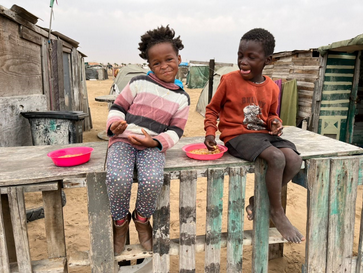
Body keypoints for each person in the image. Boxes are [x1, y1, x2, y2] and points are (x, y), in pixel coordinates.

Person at [204, 28, 304, 243]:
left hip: (262, 135)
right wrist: (211, 132)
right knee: (277, 157)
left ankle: (257, 200)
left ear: (267, 59)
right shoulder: (229, 80)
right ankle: (277, 212)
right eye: (240, 55)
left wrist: (275, 123)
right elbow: (212, 109)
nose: (243, 61)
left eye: (251, 57)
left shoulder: (272, 87)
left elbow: (270, 115)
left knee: (295, 160)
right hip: (237, 135)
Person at [105, 25, 190, 255]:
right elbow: (117, 107)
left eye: (169, 59)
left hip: (151, 145)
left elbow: (176, 130)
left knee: (152, 179)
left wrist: (155, 142)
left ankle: (142, 220)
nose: (164, 66)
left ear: (179, 58)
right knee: (117, 177)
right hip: (123, 140)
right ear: (149, 65)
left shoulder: (181, 99)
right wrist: (115, 125)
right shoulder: (138, 83)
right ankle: (120, 223)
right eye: (157, 63)